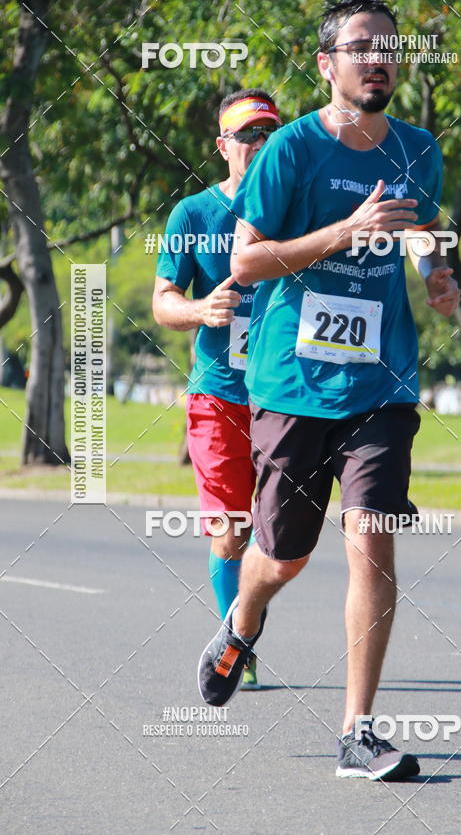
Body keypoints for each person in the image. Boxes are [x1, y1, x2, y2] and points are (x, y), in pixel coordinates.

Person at [198, 0, 460, 780]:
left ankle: (358, 732)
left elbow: (416, 230)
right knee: (283, 557)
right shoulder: (290, 152)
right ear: (327, 63)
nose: (378, 59)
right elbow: (245, 262)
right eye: (361, 47)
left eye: (389, 48)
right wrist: (346, 233)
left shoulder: (418, 148)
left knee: (373, 539)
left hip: (381, 384)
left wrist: (435, 272)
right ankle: (241, 623)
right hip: (292, 381)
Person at [153, 89, 282, 689]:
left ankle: (244, 616)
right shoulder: (193, 215)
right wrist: (202, 310)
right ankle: (237, 642)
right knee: (231, 526)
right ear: (222, 147)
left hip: (285, 393)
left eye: (268, 136)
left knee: (278, 528)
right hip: (218, 394)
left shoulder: (297, 210)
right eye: (247, 137)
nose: (258, 146)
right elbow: (163, 303)